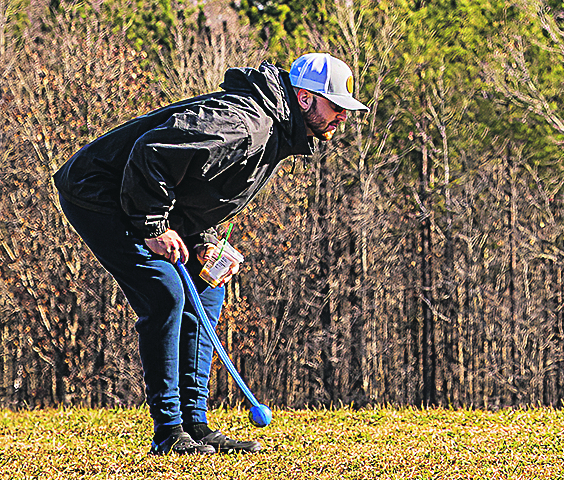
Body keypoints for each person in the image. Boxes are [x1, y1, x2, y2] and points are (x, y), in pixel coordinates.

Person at [54, 52, 367, 454]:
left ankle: (195, 425)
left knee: (207, 288)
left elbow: (198, 186)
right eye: (337, 106)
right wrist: (153, 227)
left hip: (146, 198)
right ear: (304, 98)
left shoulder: (274, 130)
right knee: (164, 291)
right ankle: (169, 431)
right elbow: (153, 153)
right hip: (98, 193)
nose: (343, 117)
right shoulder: (245, 124)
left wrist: (205, 242)